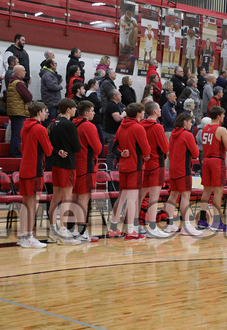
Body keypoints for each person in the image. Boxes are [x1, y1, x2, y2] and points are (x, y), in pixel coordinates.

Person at [108, 102, 151, 240]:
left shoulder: (121, 126)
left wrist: (121, 154)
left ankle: (113, 228)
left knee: (121, 198)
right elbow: (146, 150)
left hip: (123, 166)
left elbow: (114, 148)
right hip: (135, 167)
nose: (143, 114)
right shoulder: (138, 128)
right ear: (138, 114)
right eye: (142, 112)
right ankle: (130, 230)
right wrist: (146, 155)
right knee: (132, 199)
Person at [47, 98, 83, 245]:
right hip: (67, 164)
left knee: (55, 198)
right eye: (74, 108)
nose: (75, 111)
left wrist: (57, 151)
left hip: (55, 164)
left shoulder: (52, 124)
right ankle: (62, 231)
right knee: (67, 197)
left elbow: (49, 144)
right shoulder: (69, 125)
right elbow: (77, 147)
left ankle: (52, 232)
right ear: (68, 109)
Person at [17, 101, 52, 248]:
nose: (46, 114)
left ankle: (23, 235)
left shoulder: (24, 127)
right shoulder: (40, 129)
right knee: (33, 204)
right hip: (35, 170)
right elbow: (49, 151)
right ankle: (29, 236)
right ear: (39, 112)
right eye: (45, 111)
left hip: (24, 168)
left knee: (26, 204)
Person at [165, 113, 201, 235]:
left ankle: (169, 224)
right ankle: (186, 225)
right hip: (183, 170)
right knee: (185, 196)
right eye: (190, 122)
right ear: (185, 122)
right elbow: (196, 154)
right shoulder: (187, 135)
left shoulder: (172, 135)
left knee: (173, 195)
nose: (191, 124)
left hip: (173, 169)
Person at [197, 106, 227, 231]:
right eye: (223, 115)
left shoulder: (205, 128)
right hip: (217, 161)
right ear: (218, 116)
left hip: (206, 161)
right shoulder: (221, 130)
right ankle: (216, 223)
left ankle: (202, 221)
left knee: (206, 191)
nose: (224, 117)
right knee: (218, 192)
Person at [72, 100, 103, 240]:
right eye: (92, 110)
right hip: (87, 166)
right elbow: (97, 148)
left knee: (74, 198)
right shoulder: (88, 126)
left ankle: (71, 229)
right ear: (86, 113)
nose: (94, 113)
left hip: (75, 165)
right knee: (84, 199)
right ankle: (82, 232)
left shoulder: (73, 124)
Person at [138, 102, 170, 238]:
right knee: (154, 197)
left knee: (140, 194)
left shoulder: (140, 125)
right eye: (159, 108)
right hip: (156, 162)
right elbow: (165, 147)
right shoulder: (157, 127)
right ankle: (152, 226)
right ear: (155, 111)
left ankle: (134, 223)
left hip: (143, 163)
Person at [6, 64, 33, 157]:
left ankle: (13, 152)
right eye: (24, 70)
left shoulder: (12, 82)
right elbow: (28, 97)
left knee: (15, 133)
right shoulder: (19, 83)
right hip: (19, 111)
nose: (25, 72)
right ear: (17, 72)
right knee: (18, 134)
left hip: (13, 110)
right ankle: (16, 153)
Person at [103, 89, 126, 170]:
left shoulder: (116, 105)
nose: (121, 95)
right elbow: (117, 118)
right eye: (119, 94)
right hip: (111, 132)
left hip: (115, 132)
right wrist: (124, 113)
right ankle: (110, 171)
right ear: (114, 96)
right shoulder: (112, 105)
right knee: (111, 153)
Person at [40, 58, 63, 124]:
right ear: (51, 65)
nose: (56, 65)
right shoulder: (47, 74)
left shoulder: (52, 74)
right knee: (50, 119)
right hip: (50, 101)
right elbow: (52, 86)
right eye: (55, 64)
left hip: (54, 101)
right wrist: (60, 87)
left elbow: (59, 80)